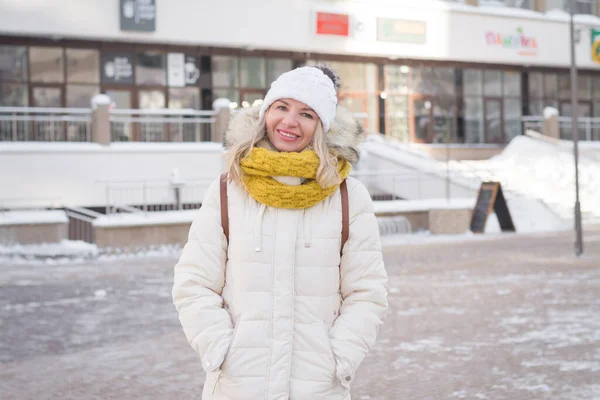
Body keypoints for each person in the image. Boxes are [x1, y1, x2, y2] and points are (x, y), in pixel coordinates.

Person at [172, 65, 388, 399]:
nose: (290, 121)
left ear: (322, 126)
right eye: (282, 107)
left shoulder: (348, 196)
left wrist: (338, 358)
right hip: (238, 386)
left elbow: (367, 293)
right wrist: (221, 351)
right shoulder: (228, 190)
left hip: (317, 388)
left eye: (306, 113)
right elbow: (194, 282)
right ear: (266, 112)